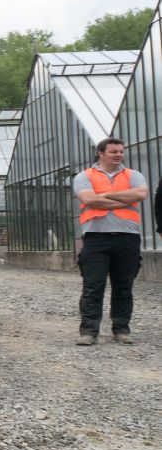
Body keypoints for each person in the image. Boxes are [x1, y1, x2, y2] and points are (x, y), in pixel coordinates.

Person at [74, 137, 149, 346]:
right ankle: (88, 332)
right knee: (93, 286)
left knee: (124, 287)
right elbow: (89, 199)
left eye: (121, 152)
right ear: (101, 153)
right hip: (97, 239)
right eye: (114, 152)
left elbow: (141, 193)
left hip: (128, 238)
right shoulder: (84, 176)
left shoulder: (133, 175)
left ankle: (122, 329)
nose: (119, 155)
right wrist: (124, 199)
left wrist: (104, 196)